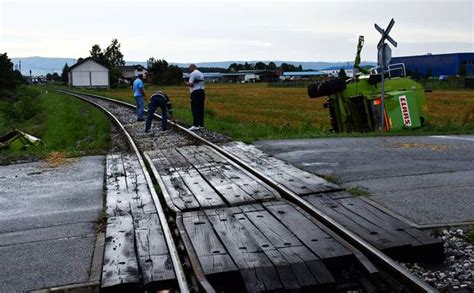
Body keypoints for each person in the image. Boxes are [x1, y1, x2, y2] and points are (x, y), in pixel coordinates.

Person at [185, 64, 205, 131]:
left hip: (195, 92)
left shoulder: (193, 74)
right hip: (202, 91)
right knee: (201, 108)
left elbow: (191, 84)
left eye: (189, 68)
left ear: (192, 68)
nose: (189, 70)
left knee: (195, 108)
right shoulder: (201, 73)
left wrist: (186, 83)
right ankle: (201, 125)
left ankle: (195, 125)